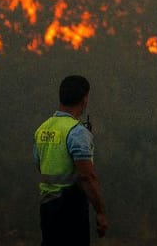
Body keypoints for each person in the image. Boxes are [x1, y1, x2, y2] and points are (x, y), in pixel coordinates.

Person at [34, 75, 108, 245]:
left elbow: (40, 164)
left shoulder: (42, 129)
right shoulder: (77, 132)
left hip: (47, 208)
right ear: (84, 100)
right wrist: (101, 212)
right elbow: (87, 177)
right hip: (71, 209)